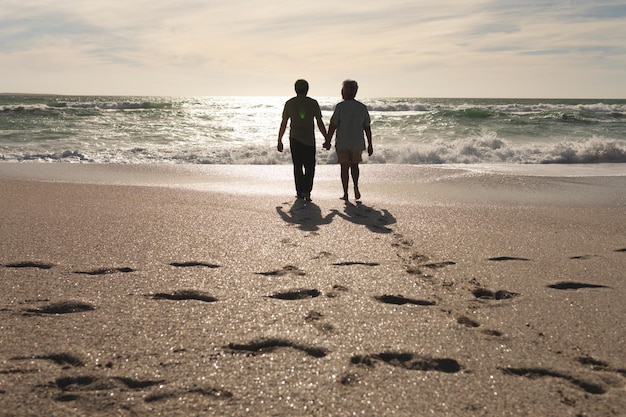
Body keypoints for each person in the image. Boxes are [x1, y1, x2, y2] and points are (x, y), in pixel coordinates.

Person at [277, 79, 327, 201]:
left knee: (298, 166)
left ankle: (300, 192)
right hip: (309, 139)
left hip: (294, 138)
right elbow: (319, 122)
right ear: (307, 89)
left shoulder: (289, 103)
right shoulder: (313, 103)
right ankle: (307, 191)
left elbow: (284, 123)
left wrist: (279, 140)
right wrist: (327, 138)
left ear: (295, 89)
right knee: (310, 166)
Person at [323, 79, 373, 201]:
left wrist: (328, 140)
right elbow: (367, 127)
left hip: (342, 142)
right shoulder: (362, 107)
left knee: (344, 168)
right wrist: (370, 144)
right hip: (357, 142)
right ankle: (355, 186)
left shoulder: (340, 107)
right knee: (355, 166)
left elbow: (333, 125)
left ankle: (345, 193)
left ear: (345, 92)